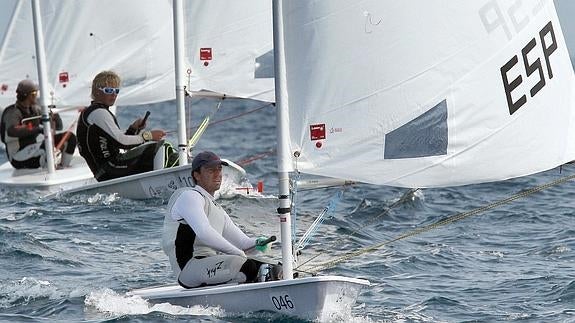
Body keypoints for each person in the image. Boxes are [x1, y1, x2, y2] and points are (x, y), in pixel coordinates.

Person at [162, 151, 280, 288]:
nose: (217, 174)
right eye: (211, 170)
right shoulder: (190, 196)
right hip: (188, 269)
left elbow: (242, 243)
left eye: (219, 169)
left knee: (274, 268)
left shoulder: (217, 209)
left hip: (210, 264)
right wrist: (237, 253)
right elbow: (204, 233)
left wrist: (258, 242)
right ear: (197, 175)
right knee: (248, 266)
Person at [76, 70, 167, 181]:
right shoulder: (98, 113)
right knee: (161, 148)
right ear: (97, 92)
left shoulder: (95, 112)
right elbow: (122, 142)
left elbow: (115, 143)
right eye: (109, 90)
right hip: (110, 169)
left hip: (108, 170)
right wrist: (148, 136)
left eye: (116, 91)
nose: (114, 95)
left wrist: (133, 129)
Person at [0, 79, 76, 169]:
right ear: (27, 95)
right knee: (47, 147)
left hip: (34, 149)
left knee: (69, 137)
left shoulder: (35, 110)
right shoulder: (12, 112)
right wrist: (38, 129)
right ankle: (50, 170)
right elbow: (12, 131)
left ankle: (64, 166)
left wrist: (54, 115)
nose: (37, 96)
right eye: (34, 93)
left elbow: (59, 127)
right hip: (17, 155)